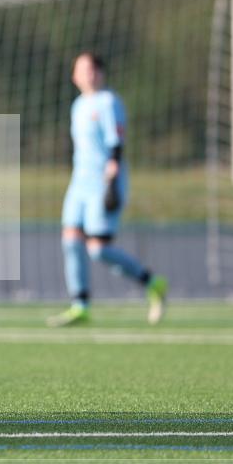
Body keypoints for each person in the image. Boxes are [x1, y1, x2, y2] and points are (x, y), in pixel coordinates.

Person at [48, 52, 168, 327]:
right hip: (79, 182)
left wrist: (113, 172)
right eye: (80, 69)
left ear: (100, 73)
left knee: (98, 249)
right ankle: (80, 305)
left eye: (90, 69)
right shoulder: (78, 105)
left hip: (104, 183)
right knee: (70, 242)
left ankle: (152, 282)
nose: (86, 74)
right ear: (74, 77)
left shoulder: (108, 102)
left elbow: (117, 140)